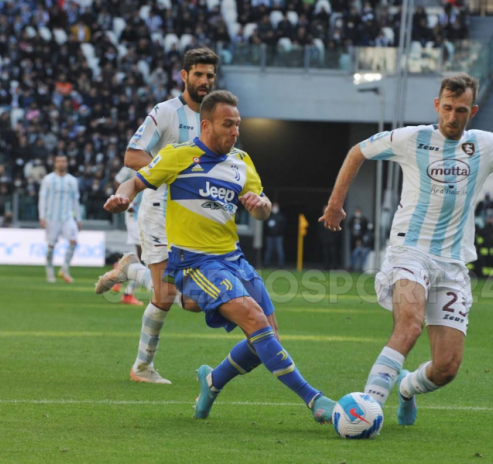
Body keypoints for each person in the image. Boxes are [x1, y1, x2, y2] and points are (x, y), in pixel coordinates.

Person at [319, 65, 493, 426]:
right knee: (410, 326)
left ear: (471, 111)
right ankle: (367, 409)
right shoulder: (411, 139)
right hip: (409, 250)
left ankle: (407, 388)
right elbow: (357, 152)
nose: (453, 116)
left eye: (461, 110)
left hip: (453, 263)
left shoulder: (485, 146)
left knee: (446, 368)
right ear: (436, 105)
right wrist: (335, 204)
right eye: (447, 107)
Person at [103, 90, 335, 423]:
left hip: (235, 260)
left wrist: (261, 206)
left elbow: (262, 209)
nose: (236, 131)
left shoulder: (241, 161)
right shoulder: (177, 155)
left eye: (238, 125)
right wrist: (120, 197)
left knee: (265, 341)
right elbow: (134, 183)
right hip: (195, 263)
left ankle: (212, 381)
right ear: (207, 124)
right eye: (229, 125)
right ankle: (315, 401)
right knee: (254, 320)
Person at [95, 48, 220, 385]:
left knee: (193, 302)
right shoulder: (165, 113)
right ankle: (142, 367)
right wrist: (169, 170)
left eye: (209, 75)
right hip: (159, 210)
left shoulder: (215, 119)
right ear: (184, 76)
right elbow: (133, 155)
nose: (204, 81)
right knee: (165, 296)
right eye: (198, 75)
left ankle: (130, 269)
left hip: (195, 218)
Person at [38, 154, 81, 284]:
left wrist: (78, 218)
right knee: (51, 246)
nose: (61, 163)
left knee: (73, 241)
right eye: (58, 161)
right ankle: (49, 271)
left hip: (68, 217)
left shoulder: (72, 180)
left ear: (67, 163)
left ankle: (65, 268)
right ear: (55, 164)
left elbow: (76, 200)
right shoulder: (48, 179)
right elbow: (42, 198)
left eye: (63, 161)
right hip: (52, 217)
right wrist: (42, 216)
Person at [113, 166, 144, 306]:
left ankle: (120, 269)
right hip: (135, 213)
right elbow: (117, 181)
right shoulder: (131, 165)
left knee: (145, 256)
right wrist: (127, 201)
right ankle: (128, 293)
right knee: (144, 256)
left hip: (151, 214)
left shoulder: (159, 158)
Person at [263, 202, 286, 268]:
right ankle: (266, 264)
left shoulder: (281, 217)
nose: (275, 208)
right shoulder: (269, 216)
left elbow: (283, 226)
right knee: (268, 251)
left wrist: (279, 232)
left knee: (280, 250)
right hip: (269, 236)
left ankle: (281, 265)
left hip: (278, 236)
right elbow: (265, 226)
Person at [318, 204, 340, 270]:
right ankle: (326, 266)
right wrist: (321, 237)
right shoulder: (321, 219)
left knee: (333, 254)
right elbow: (319, 230)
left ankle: (334, 266)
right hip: (324, 240)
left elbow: (337, 229)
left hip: (332, 240)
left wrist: (335, 238)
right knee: (325, 254)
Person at [349, 207, 369, 271]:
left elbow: (365, 229)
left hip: (361, 239)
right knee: (352, 253)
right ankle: (352, 266)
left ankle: (361, 267)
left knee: (360, 253)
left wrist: (360, 240)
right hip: (353, 239)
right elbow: (348, 226)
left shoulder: (363, 219)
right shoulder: (352, 219)